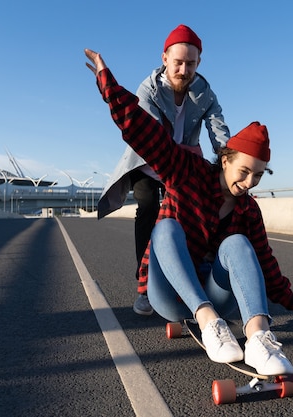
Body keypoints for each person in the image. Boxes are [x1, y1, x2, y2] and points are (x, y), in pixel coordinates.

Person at [85, 49, 293, 375]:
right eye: (244, 171)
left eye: (258, 176)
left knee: (238, 243)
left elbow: (264, 260)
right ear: (225, 160)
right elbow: (143, 131)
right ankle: (209, 324)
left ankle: (259, 338)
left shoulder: (248, 210)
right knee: (165, 228)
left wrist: (290, 301)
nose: (249, 183)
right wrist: (107, 83)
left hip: (215, 293)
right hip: (168, 293)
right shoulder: (187, 170)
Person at [95, 24, 231, 316]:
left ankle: (189, 278)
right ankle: (144, 289)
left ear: (199, 63)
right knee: (147, 208)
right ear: (165, 58)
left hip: (183, 168)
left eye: (190, 64)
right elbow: (153, 137)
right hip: (150, 161)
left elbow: (218, 128)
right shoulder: (149, 88)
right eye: (178, 62)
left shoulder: (205, 92)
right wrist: (190, 152)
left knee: (183, 217)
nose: (183, 70)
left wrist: (227, 160)